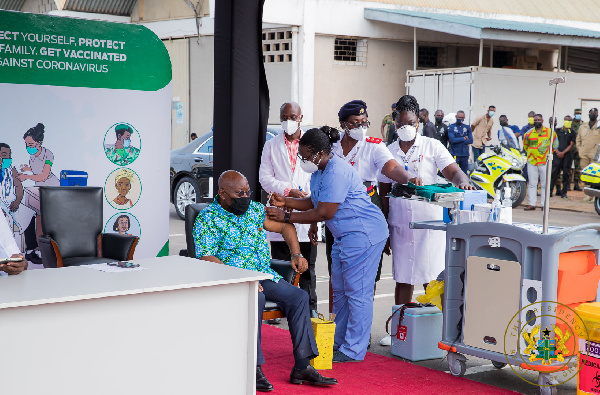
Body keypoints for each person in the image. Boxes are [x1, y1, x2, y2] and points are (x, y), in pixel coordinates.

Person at [266, 126, 403, 363]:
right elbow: (313, 201)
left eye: (307, 156)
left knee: (357, 292)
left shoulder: (337, 171)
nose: (304, 160)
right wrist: (285, 201)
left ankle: (354, 349)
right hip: (345, 235)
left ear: (320, 153)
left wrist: (286, 217)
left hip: (363, 233)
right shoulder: (320, 171)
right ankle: (338, 342)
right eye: (302, 156)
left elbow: (324, 212)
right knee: (339, 292)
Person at [193, 170, 337, 391]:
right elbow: (205, 256)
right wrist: (243, 279)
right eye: (239, 192)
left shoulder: (254, 210)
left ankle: (302, 366)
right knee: (256, 298)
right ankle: (254, 367)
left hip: (263, 274)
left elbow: (284, 226)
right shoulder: (208, 218)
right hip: (232, 280)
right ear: (223, 193)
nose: (245, 196)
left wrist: (296, 253)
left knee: (299, 296)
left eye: (247, 191)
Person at [378, 95, 474, 345]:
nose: (404, 128)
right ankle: (398, 329)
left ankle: (442, 330)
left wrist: (461, 180)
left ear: (418, 122)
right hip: (400, 220)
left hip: (428, 221)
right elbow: (383, 189)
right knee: (402, 276)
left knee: (432, 276)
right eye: (400, 124)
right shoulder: (388, 151)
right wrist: (386, 225)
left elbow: (452, 170)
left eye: (409, 123)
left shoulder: (433, 146)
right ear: (394, 123)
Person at [328, 100, 417, 316]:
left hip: (366, 207)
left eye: (364, 122)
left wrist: (409, 178)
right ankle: (335, 323)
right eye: (355, 122)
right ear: (343, 124)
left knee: (367, 273)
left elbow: (392, 168)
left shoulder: (374, 145)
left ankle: (361, 328)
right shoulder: (331, 146)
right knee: (336, 270)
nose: (361, 127)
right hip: (336, 210)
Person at [259, 101, 318, 317]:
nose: (288, 121)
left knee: (307, 267)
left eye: (292, 117)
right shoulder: (271, 145)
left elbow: (318, 176)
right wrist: (288, 190)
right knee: (281, 263)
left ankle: (310, 310)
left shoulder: (311, 143)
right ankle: (279, 308)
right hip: (278, 210)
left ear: (301, 117)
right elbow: (264, 178)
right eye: (284, 117)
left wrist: (313, 211)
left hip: (307, 211)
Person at [17, 123, 60, 264]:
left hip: (51, 191)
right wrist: (27, 169)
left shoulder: (48, 154)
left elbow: (43, 175)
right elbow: (36, 170)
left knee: (46, 219)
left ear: (39, 142)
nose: (28, 147)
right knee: (38, 218)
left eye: (30, 144)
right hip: (40, 190)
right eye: (26, 144)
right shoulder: (32, 157)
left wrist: (26, 177)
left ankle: (46, 250)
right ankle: (38, 249)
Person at [0, 143, 35, 245]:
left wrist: (17, 201)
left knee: (29, 214)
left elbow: (19, 187)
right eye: (5, 154)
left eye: (9, 155)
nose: (8, 157)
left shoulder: (12, 170)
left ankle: (31, 250)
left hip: (12, 203)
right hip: (1, 206)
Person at [523, 114, 558, 210]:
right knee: (532, 184)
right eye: (535, 120)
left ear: (542, 120)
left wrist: (546, 154)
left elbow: (555, 145)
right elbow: (525, 146)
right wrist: (532, 154)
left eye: (539, 119)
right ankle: (532, 204)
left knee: (545, 184)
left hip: (544, 162)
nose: (537, 121)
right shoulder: (528, 133)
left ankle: (544, 205)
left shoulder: (550, 132)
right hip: (532, 162)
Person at [576, 108, 600, 202]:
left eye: (594, 113)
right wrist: (580, 149)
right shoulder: (583, 126)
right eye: (591, 113)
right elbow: (578, 139)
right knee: (585, 174)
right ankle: (587, 195)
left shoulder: (599, 126)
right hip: (584, 154)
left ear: (597, 115)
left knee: (594, 175)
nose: (592, 114)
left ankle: (595, 196)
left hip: (595, 154)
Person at [550, 116, 576, 199]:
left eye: (569, 121)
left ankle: (564, 192)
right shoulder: (557, 131)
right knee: (554, 173)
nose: (567, 122)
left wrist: (563, 152)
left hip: (567, 155)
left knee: (566, 174)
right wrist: (557, 151)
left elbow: (571, 144)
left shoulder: (572, 132)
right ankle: (550, 191)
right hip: (556, 155)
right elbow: (553, 142)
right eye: (566, 120)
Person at [571, 108, 583, 191]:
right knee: (567, 166)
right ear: (574, 114)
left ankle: (576, 184)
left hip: (579, 148)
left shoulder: (583, 124)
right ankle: (567, 184)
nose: (578, 115)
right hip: (571, 148)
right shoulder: (570, 123)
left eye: (580, 113)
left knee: (578, 167)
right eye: (577, 113)